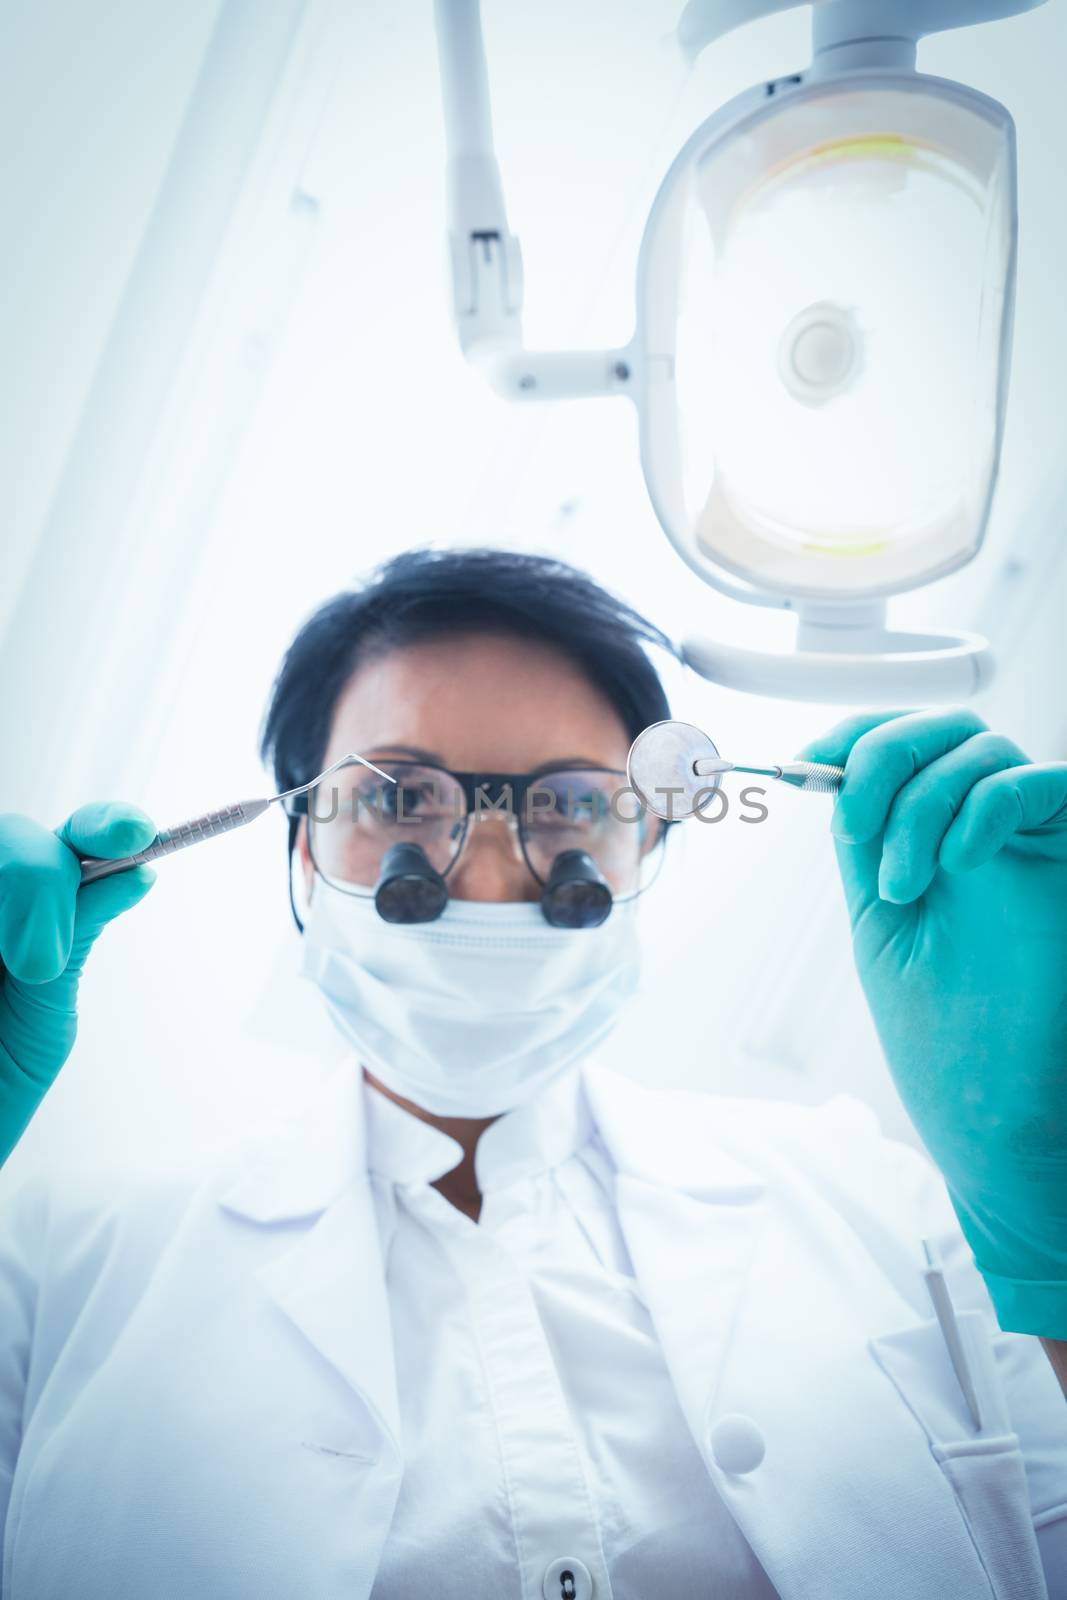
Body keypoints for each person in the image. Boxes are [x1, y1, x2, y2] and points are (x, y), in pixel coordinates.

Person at [0, 546, 1065, 1600]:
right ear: (298, 852)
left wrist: (1055, 1212)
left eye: (570, 804)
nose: (494, 873)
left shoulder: (881, 1205)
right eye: (400, 798)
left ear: (649, 846)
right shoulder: (48, 1267)